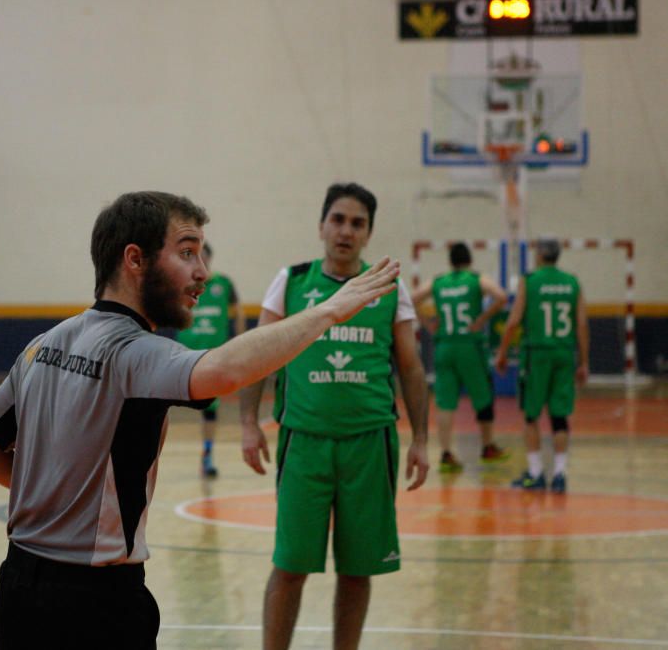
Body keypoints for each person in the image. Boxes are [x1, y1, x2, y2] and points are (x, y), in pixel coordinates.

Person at [0, 190, 402, 650]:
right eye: (187, 252)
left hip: (17, 587)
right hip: (97, 601)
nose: (202, 272)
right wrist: (330, 310)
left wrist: (59, 499)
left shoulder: (43, 344)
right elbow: (227, 370)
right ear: (135, 259)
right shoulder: (135, 353)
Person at [239, 182, 430, 650]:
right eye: (338, 220)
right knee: (289, 567)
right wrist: (247, 424)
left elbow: (410, 366)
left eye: (357, 223)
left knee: (357, 570)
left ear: (369, 233)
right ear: (322, 225)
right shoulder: (293, 280)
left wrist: (422, 439)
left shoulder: (389, 287)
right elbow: (255, 354)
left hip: (369, 443)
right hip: (304, 442)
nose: (346, 231)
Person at [496, 237, 588, 493]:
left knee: (531, 415)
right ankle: (559, 474)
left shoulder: (530, 280)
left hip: (536, 355)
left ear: (538, 255)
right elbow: (582, 324)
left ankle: (536, 473)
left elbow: (513, 321)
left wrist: (502, 353)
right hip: (563, 354)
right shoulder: (572, 282)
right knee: (559, 417)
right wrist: (584, 362)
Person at [412, 242, 509, 473]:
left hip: (444, 345)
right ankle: (487, 447)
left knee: (445, 402)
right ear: (469, 260)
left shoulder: (438, 281)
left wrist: (427, 324)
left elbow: (412, 298)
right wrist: (483, 319)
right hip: (469, 345)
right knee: (483, 396)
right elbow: (501, 296)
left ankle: (446, 454)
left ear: (450, 261)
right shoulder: (475, 279)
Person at [175, 241, 246, 477]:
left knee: (210, 410)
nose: (198, 262)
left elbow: (238, 307)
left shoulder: (222, 284)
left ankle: (207, 454)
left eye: (201, 257)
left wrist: (240, 338)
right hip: (183, 356)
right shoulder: (180, 284)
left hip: (212, 358)